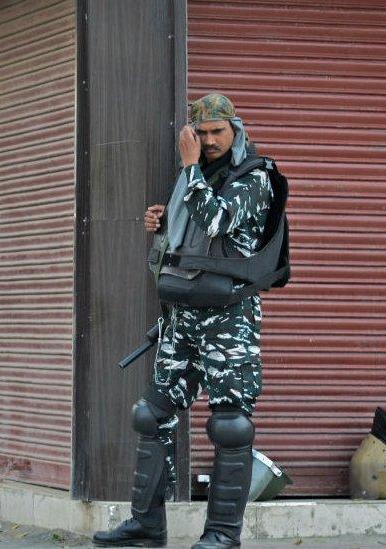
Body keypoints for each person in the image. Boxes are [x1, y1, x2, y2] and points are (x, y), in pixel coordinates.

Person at [93, 94, 274, 549]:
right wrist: (161, 222)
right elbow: (186, 239)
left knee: (231, 424)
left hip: (229, 320)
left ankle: (221, 536)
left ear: (235, 130)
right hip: (183, 319)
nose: (210, 141)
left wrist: (190, 168)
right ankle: (146, 526)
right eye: (202, 133)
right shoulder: (194, 178)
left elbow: (217, 223)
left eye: (218, 132)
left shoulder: (256, 177)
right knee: (150, 416)